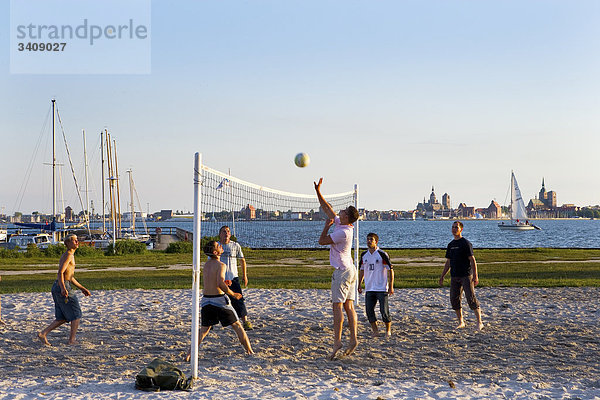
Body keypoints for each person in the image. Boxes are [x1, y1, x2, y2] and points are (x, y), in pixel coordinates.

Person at [314, 177, 360, 360]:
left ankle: (337, 341)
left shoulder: (342, 232)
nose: (338, 212)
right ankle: (354, 339)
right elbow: (327, 209)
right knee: (349, 306)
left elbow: (321, 241)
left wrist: (325, 228)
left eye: (342, 211)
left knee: (337, 307)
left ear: (347, 217)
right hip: (350, 269)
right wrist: (318, 192)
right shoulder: (344, 225)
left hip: (342, 272)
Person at [187, 241, 253, 360]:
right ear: (215, 252)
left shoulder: (206, 265)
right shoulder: (221, 265)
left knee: (203, 330)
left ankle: (189, 354)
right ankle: (249, 351)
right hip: (219, 301)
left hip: (206, 300)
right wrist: (233, 294)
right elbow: (219, 284)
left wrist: (224, 283)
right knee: (237, 325)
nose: (221, 246)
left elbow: (214, 282)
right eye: (219, 246)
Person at [38, 235, 91, 345]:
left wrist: (82, 288)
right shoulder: (68, 255)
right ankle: (72, 340)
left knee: (62, 317)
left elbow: (70, 276)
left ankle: (43, 333)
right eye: (73, 240)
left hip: (59, 286)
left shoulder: (71, 255)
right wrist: (63, 288)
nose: (77, 241)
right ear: (67, 243)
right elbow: (60, 273)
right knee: (76, 314)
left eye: (77, 239)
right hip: (62, 286)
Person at [439, 221, 484, 331]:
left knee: (471, 298)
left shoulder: (465, 243)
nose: (454, 229)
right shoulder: (451, 245)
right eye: (453, 227)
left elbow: (472, 260)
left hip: (466, 275)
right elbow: (448, 262)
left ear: (461, 229)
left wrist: (475, 276)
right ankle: (461, 321)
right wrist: (442, 276)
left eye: (456, 227)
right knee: (454, 299)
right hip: (454, 276)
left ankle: (479, 322)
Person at [358, 233, 394, 337]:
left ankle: (388, 330)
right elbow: (362, 270)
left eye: (371, 239)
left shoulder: (382, 254)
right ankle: (375, 331)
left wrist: (391, 286)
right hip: (369, 288)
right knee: (369, 311)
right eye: (368, 239)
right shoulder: (364, 255)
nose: (369, 241)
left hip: (381, 288)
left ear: (376, 242)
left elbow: (390, 270)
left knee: (384, 311)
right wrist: (359, 284)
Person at [218, 226, 253, 330]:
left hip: (233, 278)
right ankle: (210, 324)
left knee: (239, 299)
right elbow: (211, 262)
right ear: (220, 234)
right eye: (224, 232)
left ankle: (245, 321)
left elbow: (242, 260)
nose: (226, 233)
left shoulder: (235, 245)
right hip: (220, 279)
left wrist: (244, 275)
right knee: (216, 301)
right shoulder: (217, 246)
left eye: (228, 231)